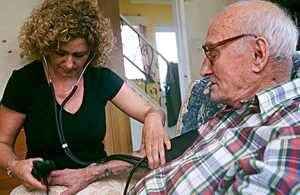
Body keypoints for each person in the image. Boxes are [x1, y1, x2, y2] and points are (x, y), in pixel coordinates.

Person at [129, 1, 300, 194]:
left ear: (257, 55)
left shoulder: (289, 131)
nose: (203, 70)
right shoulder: (236, 106)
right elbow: (171, 151)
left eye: (213, 55)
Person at [0, 0, 171, 194]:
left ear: (92, 51)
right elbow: (2, 143)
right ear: (45, 46)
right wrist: (14, 166)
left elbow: (152, 110)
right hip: (45, 184)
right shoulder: (24, 82)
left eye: (79, 55)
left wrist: (154, 118)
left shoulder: (102, 78)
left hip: (95, 180)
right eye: (60, 53)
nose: (69, 64)